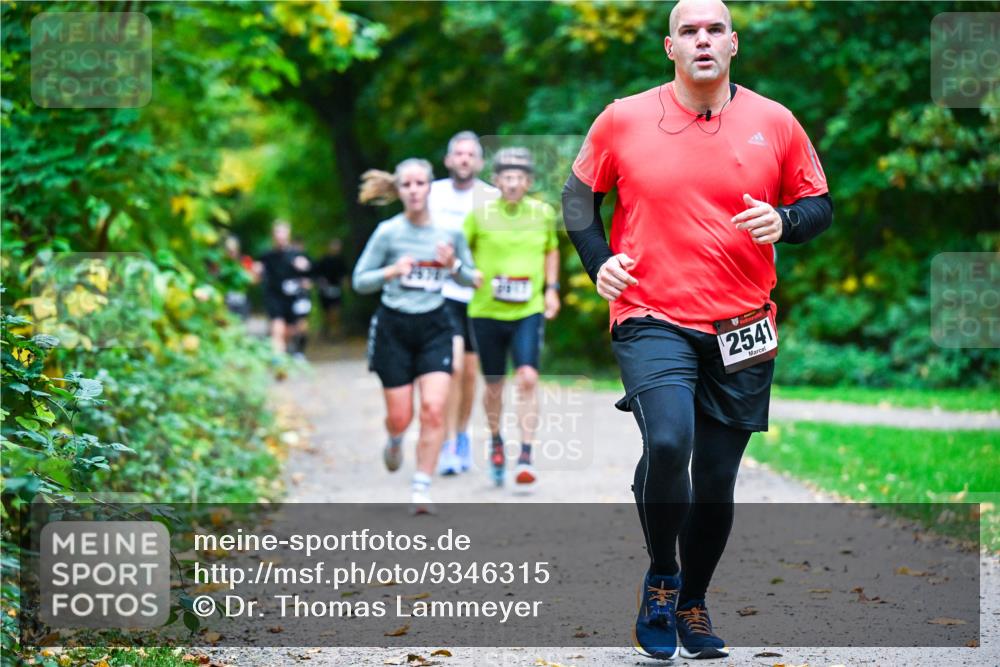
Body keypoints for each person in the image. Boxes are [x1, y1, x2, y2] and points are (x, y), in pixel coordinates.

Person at [563, 0, 833, 660]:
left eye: (715, 29)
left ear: (734, 43)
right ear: (670, 47)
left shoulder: (776, 122)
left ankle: (693, 600)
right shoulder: (625, 116)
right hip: (650, 312)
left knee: (714, 478)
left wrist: (787, 223)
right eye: (690, 30)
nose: (703, 39)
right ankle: (663, 575)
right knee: (668, 442)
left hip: (743, 324)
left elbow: (819, 205)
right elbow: (577, 199)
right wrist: (599, 263)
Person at [352, 158, 478, 514]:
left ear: (429, 186)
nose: (414, 190)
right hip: (394, 327)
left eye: (420, 183)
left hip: (435, 325)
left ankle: (421, 486)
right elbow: (359, 281)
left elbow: (471, 279)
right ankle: (394, 438)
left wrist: (452, 264)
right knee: (401, 416)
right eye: (406, 185)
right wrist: (391, 270)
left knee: (434, 409)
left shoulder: (448, 233)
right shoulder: (388, 233)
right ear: (399, 190)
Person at [464, 147, 560, 487]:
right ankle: (496, 442)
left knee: (528, 377)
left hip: (527, 309)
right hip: (486, 311)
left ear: (529, 181)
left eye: (520, 178)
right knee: (493, 384)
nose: (514, 183)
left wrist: (551, 289)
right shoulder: (478, 215)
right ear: (496, 180)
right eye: (507, 177)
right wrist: (467, 272)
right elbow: (462, 251)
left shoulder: (543, 213)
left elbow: (551, 250)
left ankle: (526, 456)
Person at [427, 131, 498, 476]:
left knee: (470, 372)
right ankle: (448, 444)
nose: (465, 159)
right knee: (452, 368)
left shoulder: (492, 198)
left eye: (471, 154)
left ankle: (461, 434)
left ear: (480, 162)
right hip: (443, 295)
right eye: (459, 153)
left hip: (480, 295)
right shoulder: (432, 194)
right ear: (448, 160)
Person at [254, 221, 312, 357]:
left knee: (291, 330)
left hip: (292, 298)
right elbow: (256, 277)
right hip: (274, 296)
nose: (280, 236)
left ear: (288, 234)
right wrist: (256, 271)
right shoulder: (266, 256)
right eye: (277, 232)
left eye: (283, 232)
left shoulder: (296, 254)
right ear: (273, 235)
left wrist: (305, 271)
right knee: (277, 328)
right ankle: (279, 361)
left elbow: (308, 278)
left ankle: (290, 352)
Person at [314, 238, 348, 341]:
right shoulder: (323, 260)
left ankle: (335, 333)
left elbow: (344, 275)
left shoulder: (341, 260)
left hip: (336, 289)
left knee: (336, 312)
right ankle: (327, 331)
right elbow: (317, 274)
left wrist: (345, 284)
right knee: (326, 312)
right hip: (325, 290)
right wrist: (320, 282)